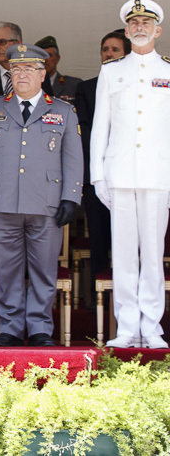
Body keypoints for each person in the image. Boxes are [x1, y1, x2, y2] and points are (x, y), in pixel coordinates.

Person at [0, 44, 82, 347]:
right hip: (2, 203)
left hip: (47, 204)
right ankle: (10, 328)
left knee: (44, 272)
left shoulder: (63, 110)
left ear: (43, 74)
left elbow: (73, 159)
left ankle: (40, 328)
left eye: (29, 69)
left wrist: (71, 197)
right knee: (6, 272)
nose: (21, 74)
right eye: (16, 69)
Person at [91, 0, 170, 349]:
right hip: (119, 173)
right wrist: (98, 175)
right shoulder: (111, 72)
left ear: (158, 30)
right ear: (126, 31)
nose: (140, 27)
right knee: (123, 254)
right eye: (134, 22)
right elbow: (100, 128)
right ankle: (126, 327)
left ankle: (151, 327)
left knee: (153, 254)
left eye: (146, 22)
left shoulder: (168, 71)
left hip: (157, 174)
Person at [73, 30, 130, 307]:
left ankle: (128, 298)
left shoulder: (138, 86)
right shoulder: (86, 87)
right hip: (97, 176)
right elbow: (84, 130)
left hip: (131, 175)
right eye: (105, 49)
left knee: (130, 243)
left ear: (127, 53)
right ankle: (100, 303)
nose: (108, 54)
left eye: (115, 49)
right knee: (98, 240)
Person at [0, 22, 53, 151]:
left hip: (33, 149)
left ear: (18, 43)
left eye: (1, 42)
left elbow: (48, 112)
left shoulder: (36, 75)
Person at [35, 36, 82, 102]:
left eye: (49, 55)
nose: (45, 60)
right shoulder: (27, 84)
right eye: (41, 56)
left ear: (58, 58)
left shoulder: (73, 85)